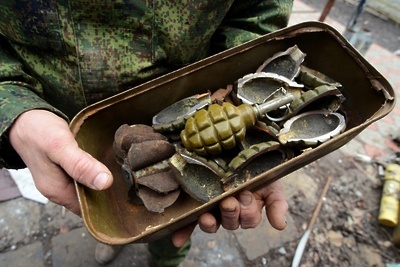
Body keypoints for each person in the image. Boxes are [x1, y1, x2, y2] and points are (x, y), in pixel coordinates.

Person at [0, 1, 293, 266]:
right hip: (81, 135)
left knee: (176, 223)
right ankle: (119, 238)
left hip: (189, 109)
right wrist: (14, 110)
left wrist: (244, 94)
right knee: (104, 207)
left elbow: (260, 11)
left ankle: (166, 260)